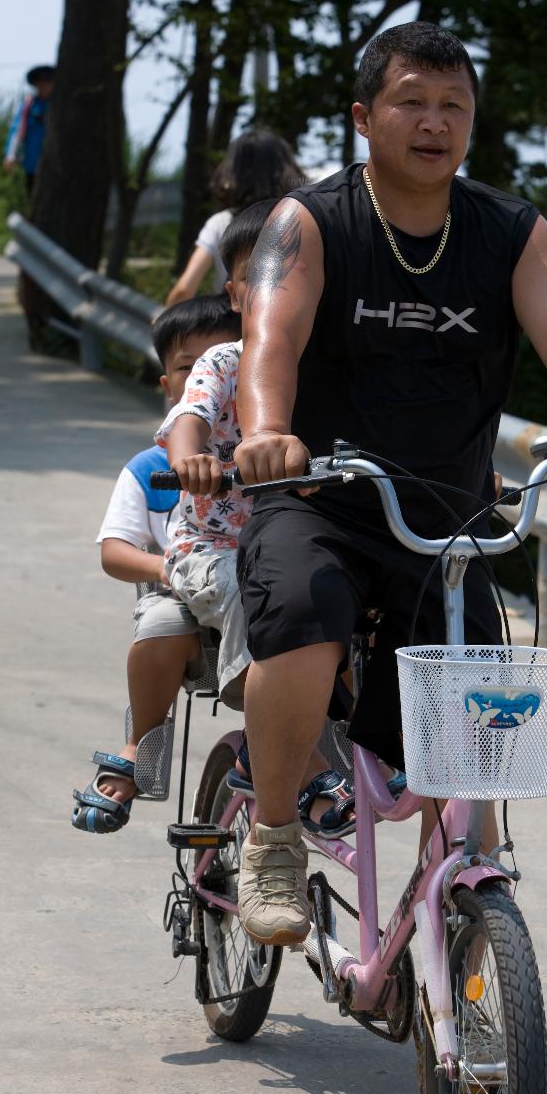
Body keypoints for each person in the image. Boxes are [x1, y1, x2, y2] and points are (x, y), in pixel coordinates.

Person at [185, 21, 547, 945]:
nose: (433, 122)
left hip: (443, 517)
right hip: (316, 497)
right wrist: (271, 432)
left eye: (453, 106)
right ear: (366, 117)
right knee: (304, 616)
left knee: (478, 700)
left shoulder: (508, 230)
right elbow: (271, 339)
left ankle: (459, 888)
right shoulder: (313, 220)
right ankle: (276, 837)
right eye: (411, 101)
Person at [159, 201, 358, 837]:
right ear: (237, 292)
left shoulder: (333, 364)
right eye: (262, 272)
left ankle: (369, 745)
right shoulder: (224, 360)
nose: (280, 285)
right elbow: (187, 419)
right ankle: (303, 771)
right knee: (259, 603)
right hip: (215, 546)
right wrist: (191, 461)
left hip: (303, 539)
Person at [71, 294, 242, 833]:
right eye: (190, 368)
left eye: (226, 362)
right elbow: (114, 551)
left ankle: (333, 744)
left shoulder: (266, 450)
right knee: (163, 627)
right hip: (180, 590)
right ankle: (139, 744)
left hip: (259, 583)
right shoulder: (150, 468)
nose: (209, 380)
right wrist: (163, 569)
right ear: (169, 386)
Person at [165, 131, 305, 305]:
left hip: (235, 326)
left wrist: (166, 323)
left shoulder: (220, 223)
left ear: (231, 171)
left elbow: (184, 289)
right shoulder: (303, 220)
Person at [3, 65, 54, 194]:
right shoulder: (28, 106)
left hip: (55, 167)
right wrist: (10, 156)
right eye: (40, 81)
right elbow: (16, 131)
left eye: (47, 80)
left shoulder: (60, 106)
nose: (43, 84)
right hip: (31, 166)